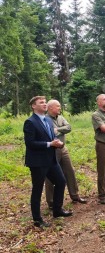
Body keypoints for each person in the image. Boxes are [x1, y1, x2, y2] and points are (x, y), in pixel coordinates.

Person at [23, 96, 72, 228]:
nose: (44, 104)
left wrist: (58, 143)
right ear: (34, 106)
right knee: (37, 189)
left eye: (45, 102)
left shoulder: (48, 121)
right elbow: (30, 143)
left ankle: (57, 210)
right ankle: (37, 219)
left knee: (61, 181)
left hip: (51, 159)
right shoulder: (30, 122)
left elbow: (53, 136)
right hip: (38, 162)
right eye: (41, 103)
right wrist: (50, 144)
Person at [45, 99, 87, 209]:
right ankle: (51, 202)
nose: (60, 108)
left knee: (70, 171)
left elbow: (69, 128)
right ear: (50, 108)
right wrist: (58, 130)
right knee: (50, 176)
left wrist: (57, 130)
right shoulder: (45, 119)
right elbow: (49, 132)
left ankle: (75, 195)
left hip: (63, 149)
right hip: (52, 151)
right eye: (58, 106)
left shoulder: (61, 117)